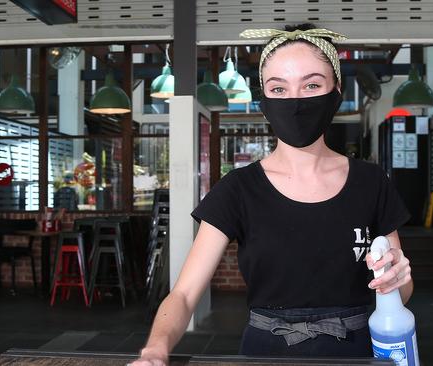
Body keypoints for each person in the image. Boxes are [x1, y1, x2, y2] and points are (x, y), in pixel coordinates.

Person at [131, 24, 413, 365]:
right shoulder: (238, 189)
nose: (294, 101)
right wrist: (154, 351)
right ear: (263, 99)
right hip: (265, 352)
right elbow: (184, 294)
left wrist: (398, 277)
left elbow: (399, 291)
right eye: (278, 88)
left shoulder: (371, 182)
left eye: (311, 85)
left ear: (335, 91)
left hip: (355, 351)